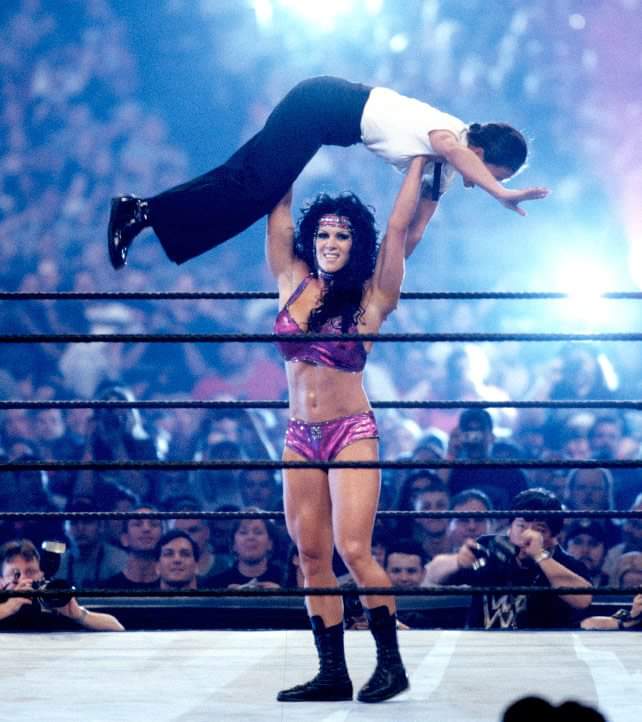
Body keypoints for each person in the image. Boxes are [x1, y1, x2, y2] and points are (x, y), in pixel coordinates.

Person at [266, 155, 434, 705]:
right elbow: (278, 209)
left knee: (355, 549)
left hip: (350, 431)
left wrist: (417, 164)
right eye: (323, 234)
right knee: (311, 556)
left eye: (341, 235)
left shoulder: (372, 294)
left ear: (354, 242)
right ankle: (331, 672)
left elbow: (399, 230)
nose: (330, 242)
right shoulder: (293, 280)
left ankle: (391, 665)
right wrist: (288, 143)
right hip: (298, 435)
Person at [108, 75, 548, 269]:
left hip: (325, 121)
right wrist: (501, 195)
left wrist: (379, 277)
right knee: (257, 190)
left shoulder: (442, 174)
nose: (487, 183)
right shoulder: (449, 132)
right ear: (480, 152)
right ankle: (142, 211)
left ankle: (145, 214)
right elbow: (456, 151)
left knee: (244, 181)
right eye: (495, 174)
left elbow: (413, 231)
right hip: (321, 105)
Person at [424, 488, 592, 629]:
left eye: (539, 529)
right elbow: (432, 573)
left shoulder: (565, 564)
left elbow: (583, 600)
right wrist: (458, 562)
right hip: (482, 648)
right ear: (510, 527)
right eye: (521, 525)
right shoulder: (492, 547)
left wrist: (540, 556)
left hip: (540, 651)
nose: (527, 534)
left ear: (554, 537)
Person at [0, 539, 124, 631]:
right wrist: (9, 607)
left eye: (31, 572)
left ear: (41, 574)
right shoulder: (3, 605)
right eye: (15, 574)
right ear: (1, 580)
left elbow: (117, 627)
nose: (23, 579)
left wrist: (79, 616)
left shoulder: (52, 597)